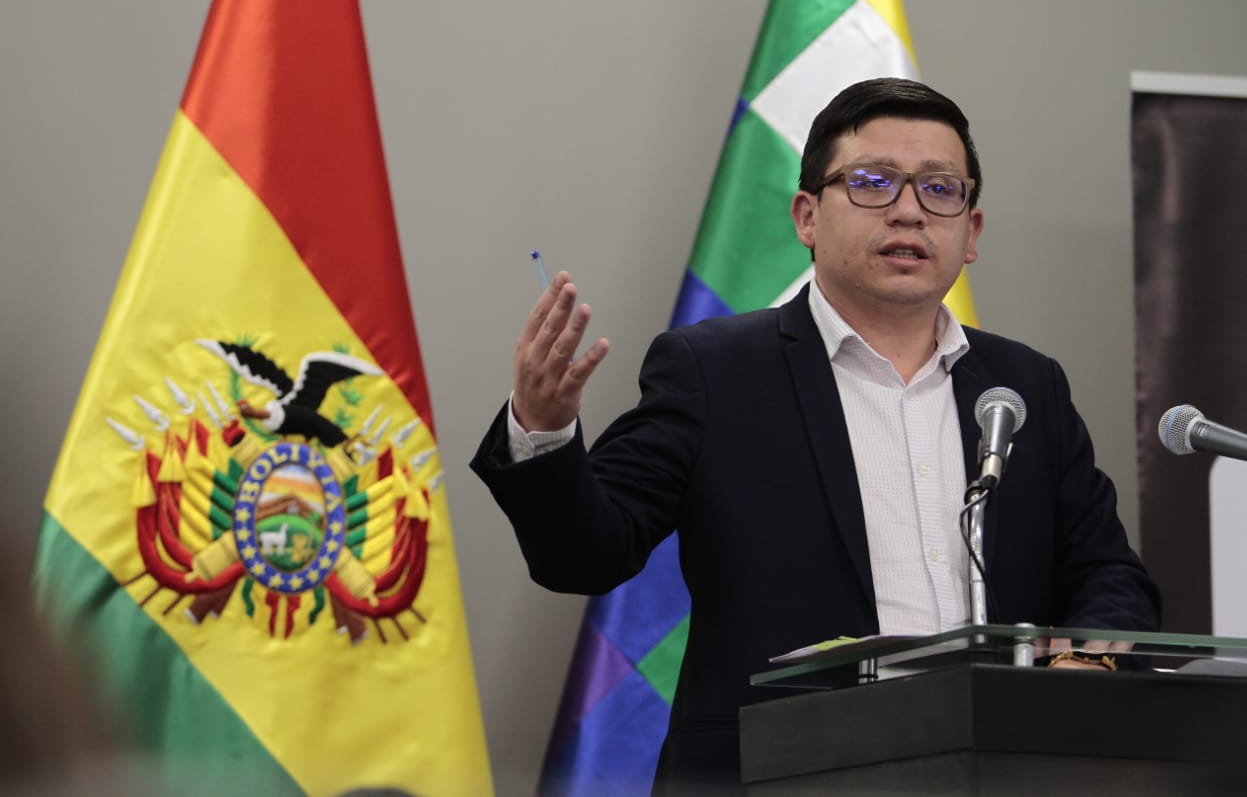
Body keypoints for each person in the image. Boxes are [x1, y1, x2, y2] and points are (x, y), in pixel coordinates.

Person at [471, 77, 1160, 794]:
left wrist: (1088, 663)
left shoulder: (1023, 386)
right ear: (806, 216)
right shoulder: (713, 371)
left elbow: (1108, 573)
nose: (909, 211)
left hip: (1000, 771)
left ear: (972, 231)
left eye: (939, 190)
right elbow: (585, 555)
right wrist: (544, 430)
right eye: (873, 182)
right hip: (780, 773)